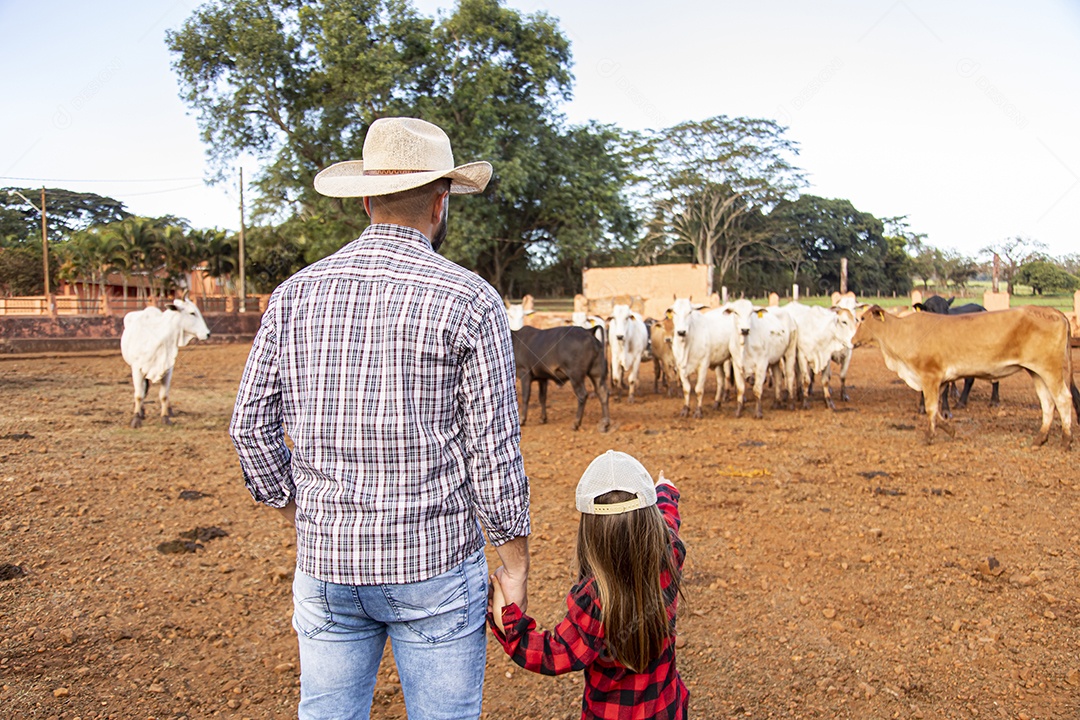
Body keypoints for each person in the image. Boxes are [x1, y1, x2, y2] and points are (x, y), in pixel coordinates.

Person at [229, 117, 531, 720]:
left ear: (365, 198)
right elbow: (493, 449)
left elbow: (249, 427)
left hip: (327, 563)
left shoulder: (295, 294)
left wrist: (303, 512)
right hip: (435, 563)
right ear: (442, 200)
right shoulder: (471, 298)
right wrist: (514, 565)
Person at [488, 450, 687, 720]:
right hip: (666, 709)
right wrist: (665, 490)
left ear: (590, 532)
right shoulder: (670, 553)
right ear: (650, 519)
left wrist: (511, 625)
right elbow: (668, 517)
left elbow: (554, 653)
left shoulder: (593, 599)